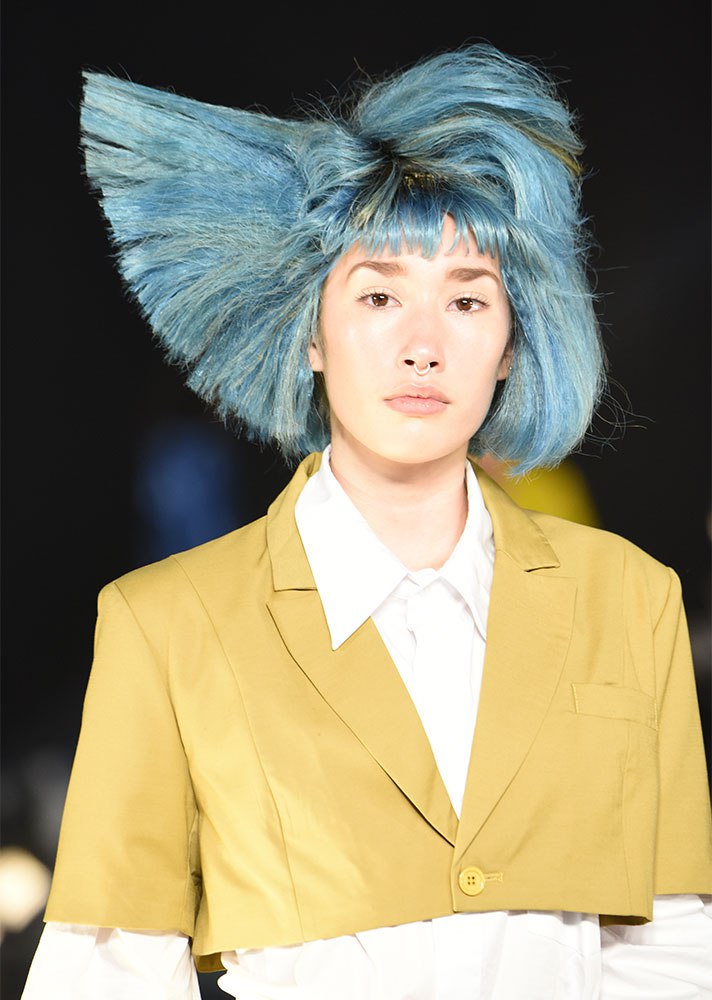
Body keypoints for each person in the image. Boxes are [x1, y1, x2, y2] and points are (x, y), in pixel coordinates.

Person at [22, 44, 712, 999]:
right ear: (310, 331)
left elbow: (673, 949)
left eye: (467, 299)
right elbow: (111, 972)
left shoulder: (630, 597)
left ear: (512, 342)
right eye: (380, 295)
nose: (423, 346)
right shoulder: (170, 624)